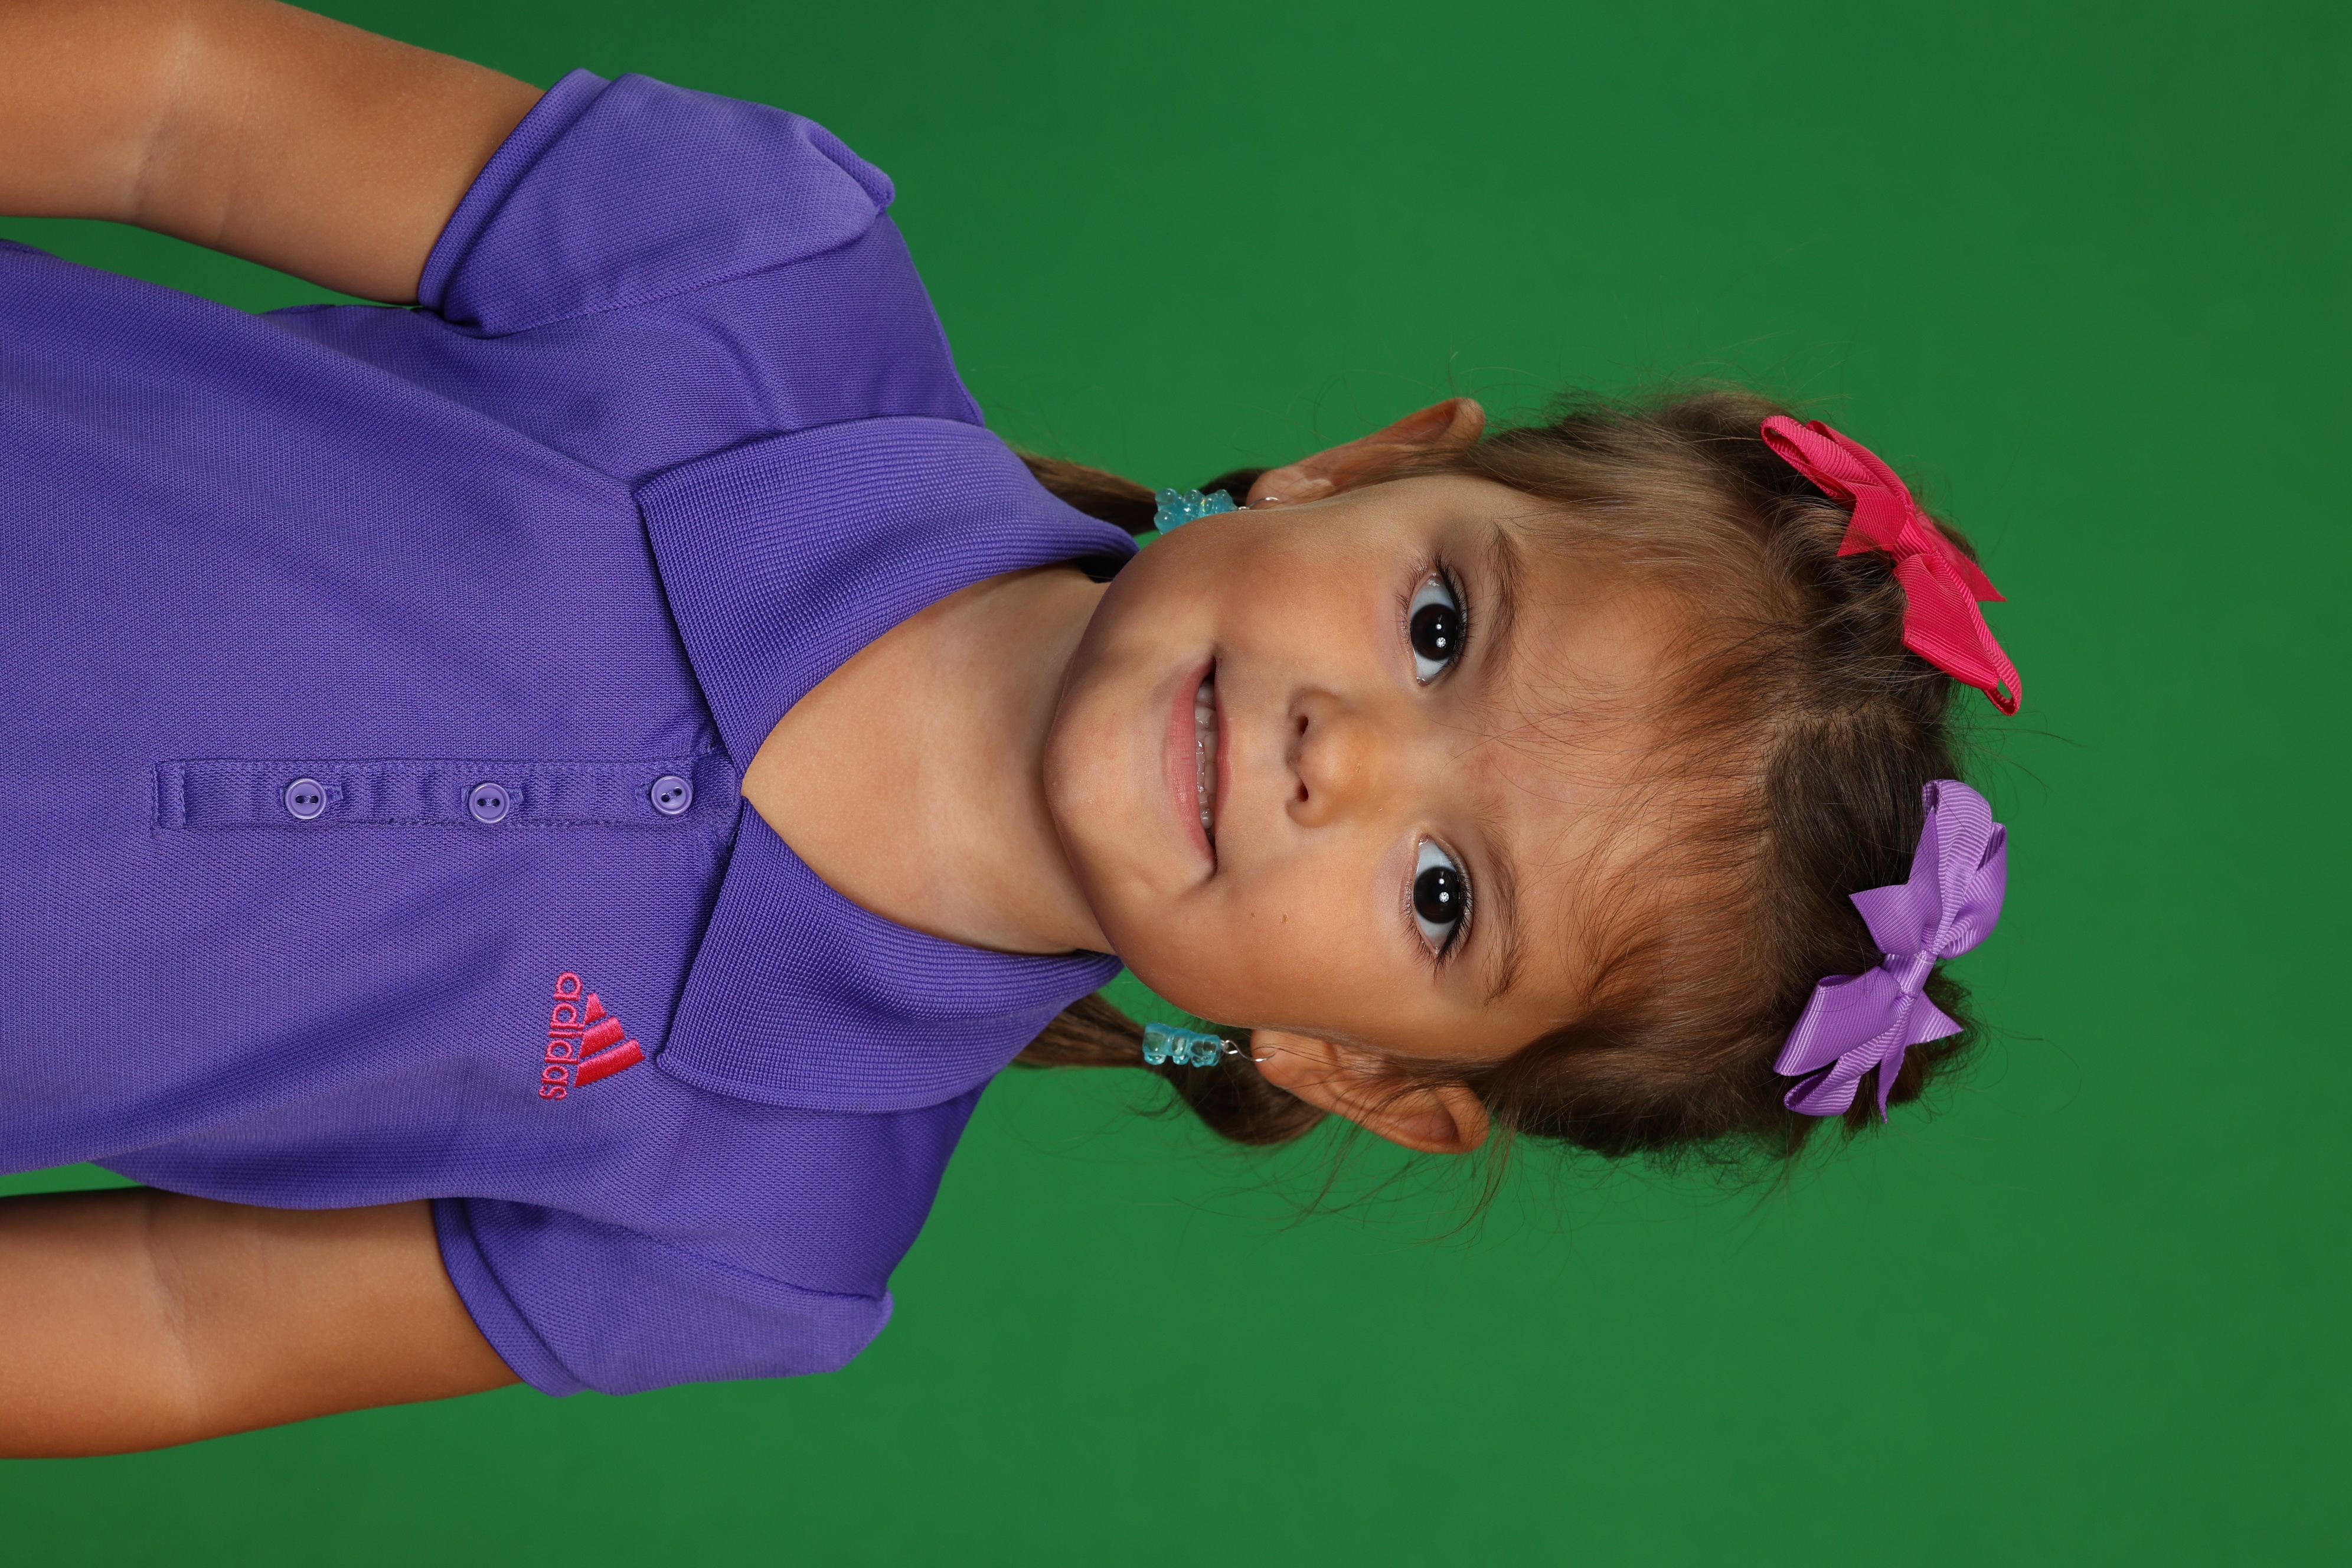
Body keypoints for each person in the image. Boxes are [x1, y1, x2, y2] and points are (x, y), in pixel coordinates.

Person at [0, 0, 2019, 1456]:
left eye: (1440, 894)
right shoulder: (760, 274)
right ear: (1358, 471)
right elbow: (184, 108)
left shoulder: (757, 1236)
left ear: (1353, 1070)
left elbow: (179, 1322)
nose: (1341, 756)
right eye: (1437, 628)